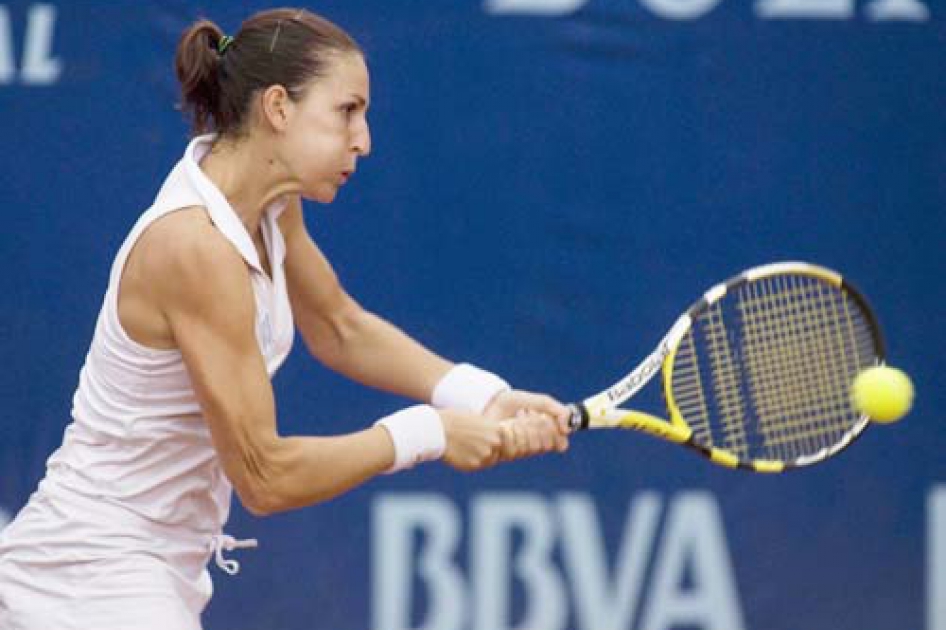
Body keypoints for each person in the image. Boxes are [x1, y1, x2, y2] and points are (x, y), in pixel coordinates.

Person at [0, 8, 570, 630]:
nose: (365, 139)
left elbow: (339, 326)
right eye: (347, 111)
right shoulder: (195, 250)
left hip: (140, 571)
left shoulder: (269, 206)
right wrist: (430, 433)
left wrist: (485, 394)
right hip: (86, 580)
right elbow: (264, 476)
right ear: (278, 107)